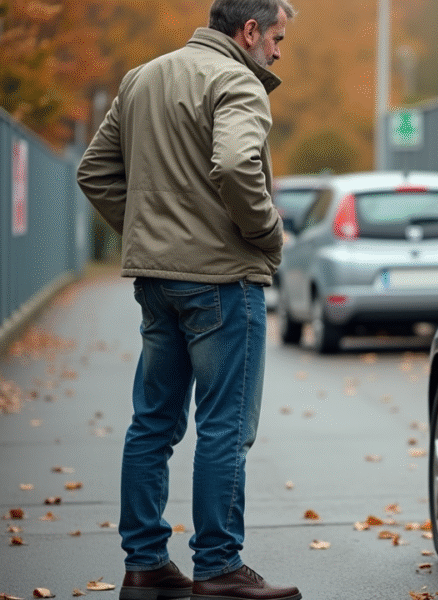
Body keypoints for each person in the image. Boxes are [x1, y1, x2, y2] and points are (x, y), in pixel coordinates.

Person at [76, 1, 299, 599]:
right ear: (249, 30)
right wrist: (267, 234)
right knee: (224, 427)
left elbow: (95, 171)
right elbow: (233, 163)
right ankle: (219, 567)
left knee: (152, 424)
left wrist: (152, 231)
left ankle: (145, 563)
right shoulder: (238, 81)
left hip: (158, 281)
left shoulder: (142, 78)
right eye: (276, 38)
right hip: (224, 282)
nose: (277, 52)